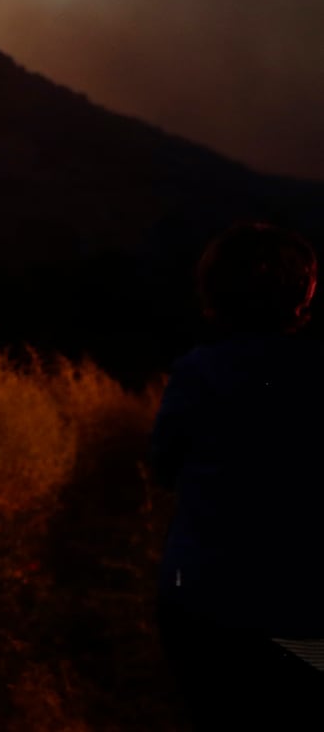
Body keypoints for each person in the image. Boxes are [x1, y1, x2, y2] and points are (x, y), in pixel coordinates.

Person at [150, 222, 324, 729]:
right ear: (304, 293)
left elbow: (164, 467)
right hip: (304, 608)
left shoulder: (199, 371)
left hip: (203, 605)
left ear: (213, 293)